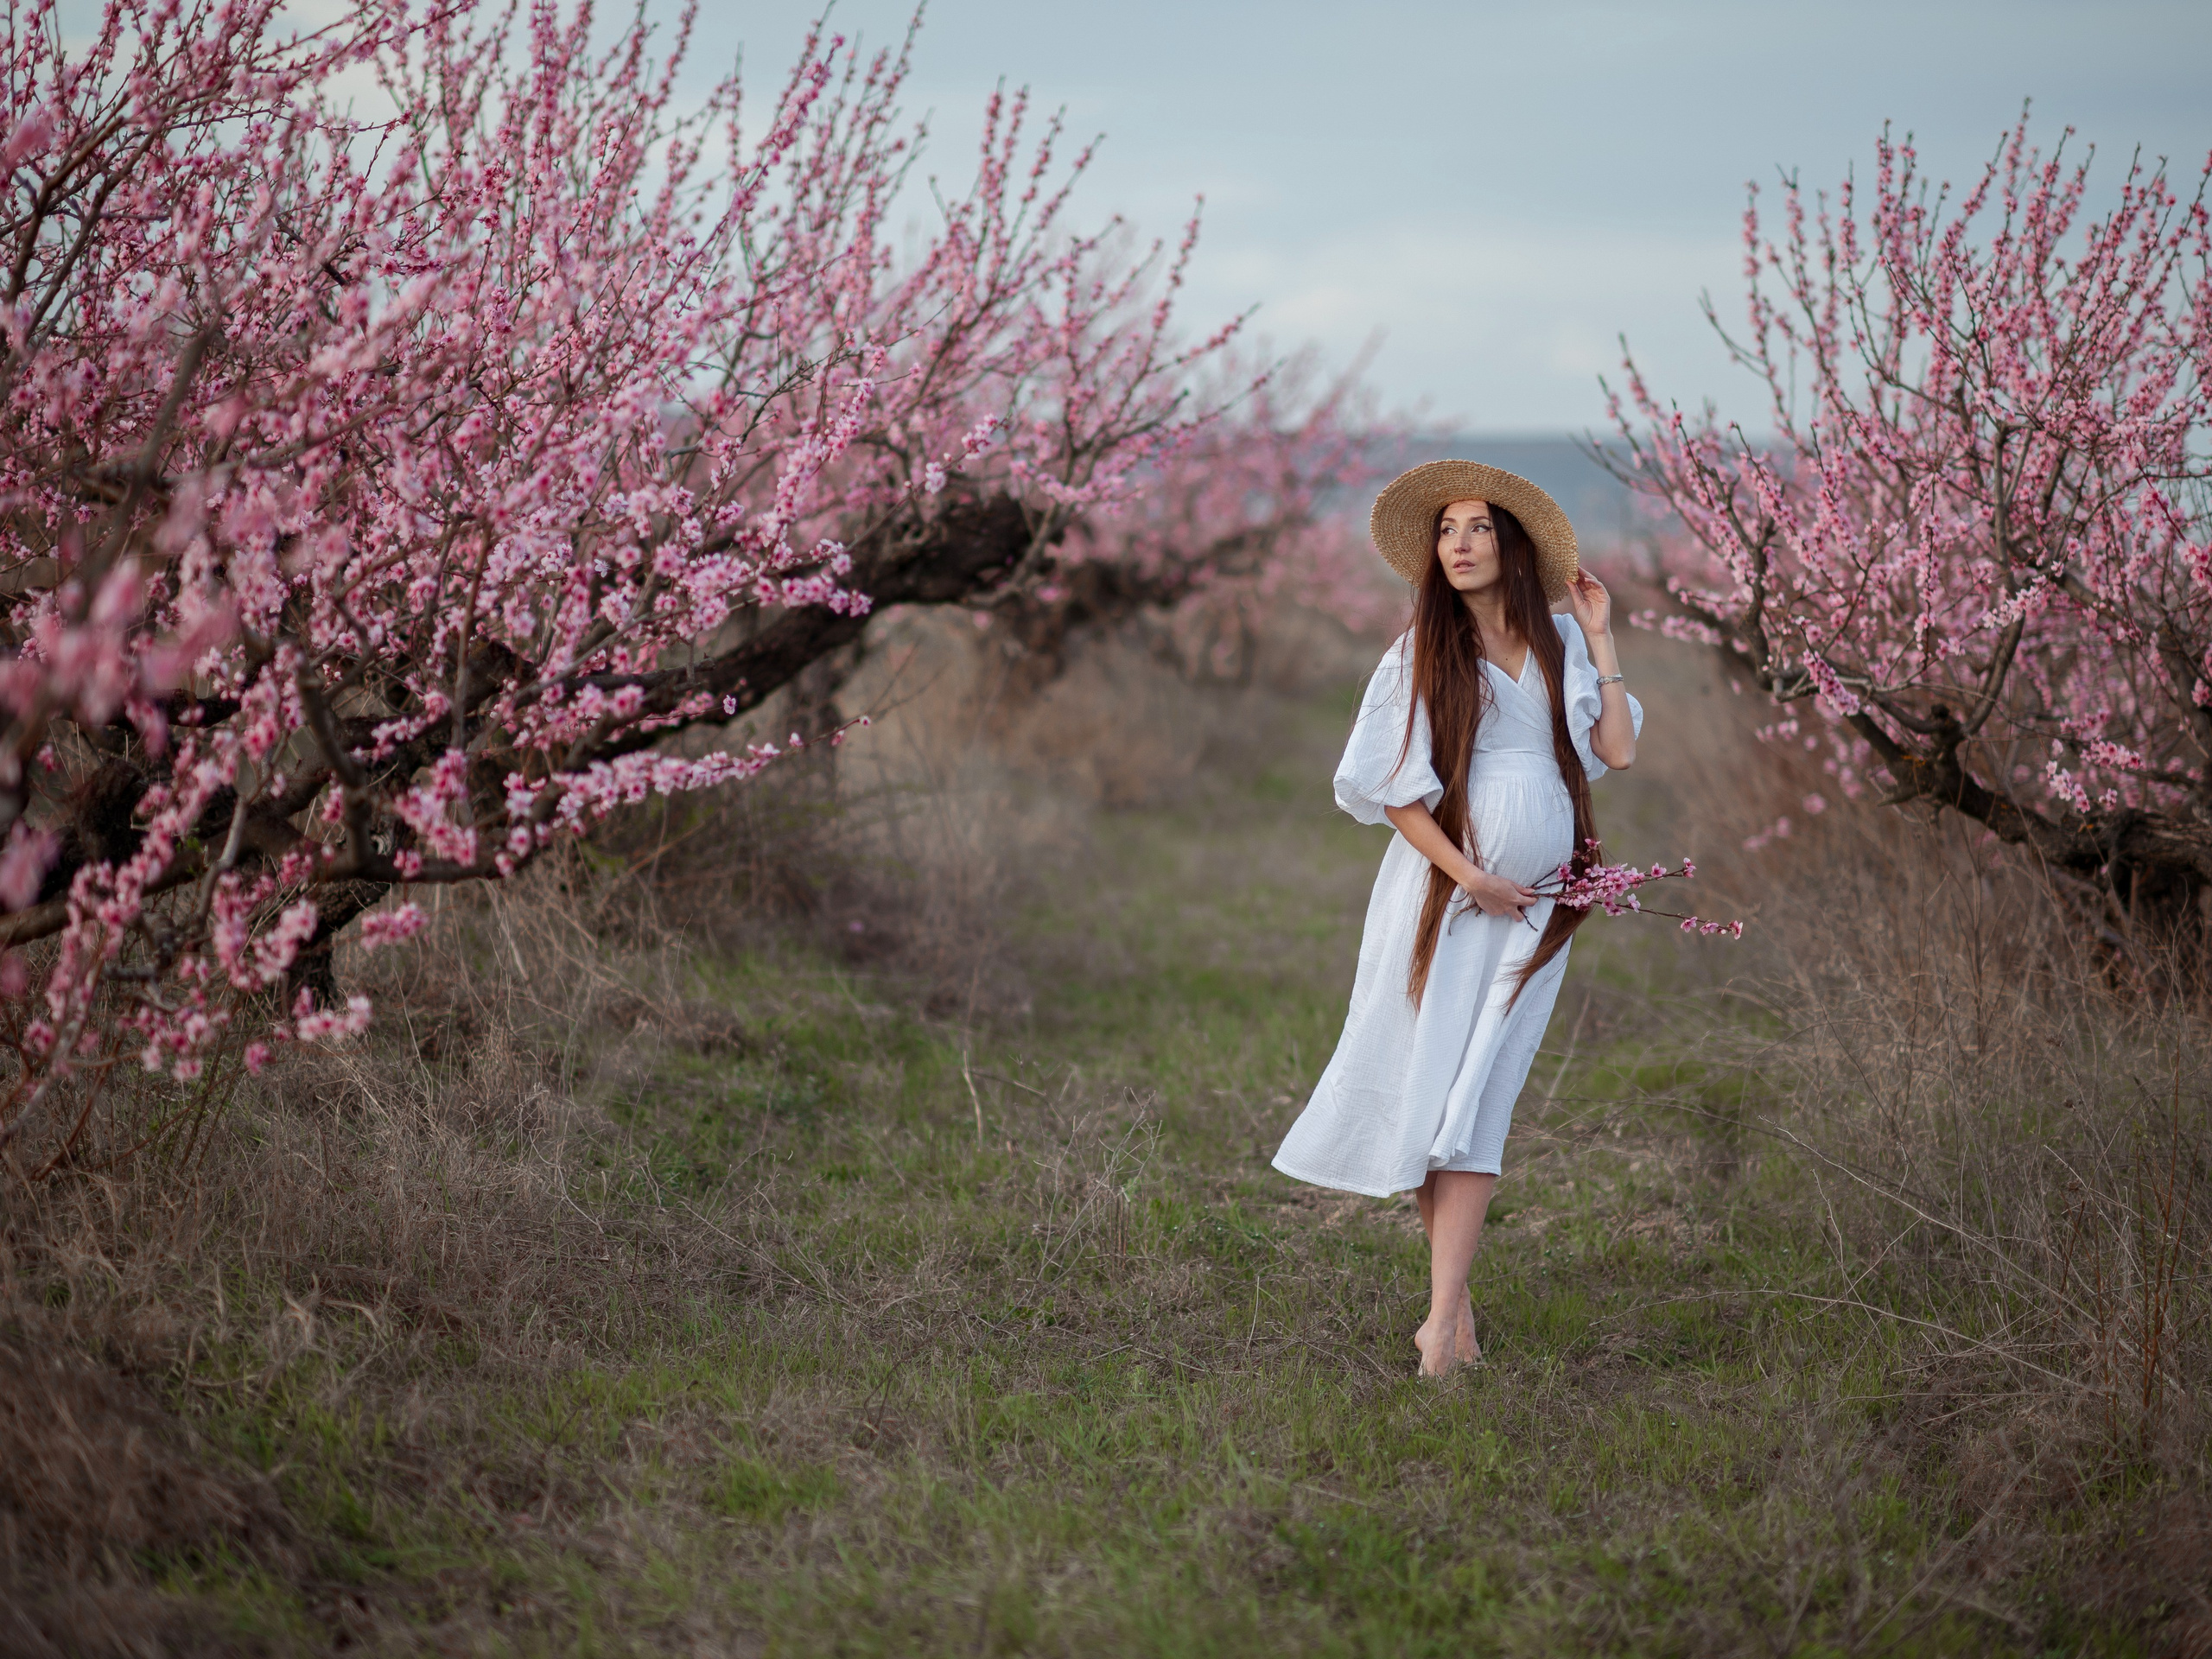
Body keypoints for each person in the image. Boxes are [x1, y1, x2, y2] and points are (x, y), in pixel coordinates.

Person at [1272, 461, 1643, 1377]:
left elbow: (1618, 753)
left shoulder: (1559, 641)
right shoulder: (1421, 654)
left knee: (1482, 1094)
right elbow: (1395, 793)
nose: (1461, 543)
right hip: (1445, 895)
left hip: (1538, 908)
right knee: (1435, 1087)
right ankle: (1450, 1318)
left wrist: (1600, 636)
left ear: (1511, 546)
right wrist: (1470, 875)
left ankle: (1440, 1320)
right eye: (1447, 531)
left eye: (1478, 528)